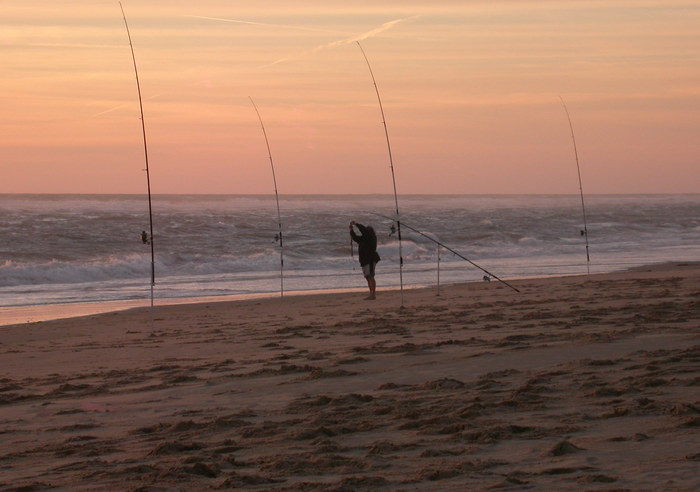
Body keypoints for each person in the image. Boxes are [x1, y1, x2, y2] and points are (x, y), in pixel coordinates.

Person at [350, 221, 380, 300]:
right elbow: (356, 238)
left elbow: (363, 230)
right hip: (364, 259)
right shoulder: (364, 238)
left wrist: (356, 224)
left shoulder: (371, 237)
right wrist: (351, 231)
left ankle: (373, 294)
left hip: (370, 258)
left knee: (370, 276)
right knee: (367, 277)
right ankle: (371, 293)